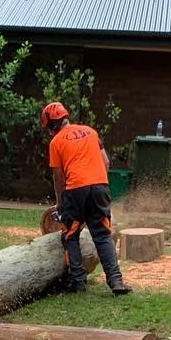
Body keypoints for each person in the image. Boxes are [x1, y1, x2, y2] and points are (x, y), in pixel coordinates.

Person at [42, 102, 132, 295]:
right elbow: (106, 162)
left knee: (70, 235)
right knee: (102, 234)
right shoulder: (90, 132)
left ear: (51, 125)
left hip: (75, 189)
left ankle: (78, 281)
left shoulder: (56, 142)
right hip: (100, 186)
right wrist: (97, 184)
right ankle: (116, 281)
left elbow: (59, 177)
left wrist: (61, 202)